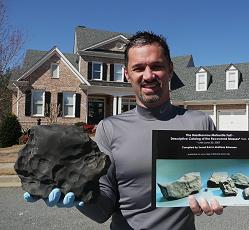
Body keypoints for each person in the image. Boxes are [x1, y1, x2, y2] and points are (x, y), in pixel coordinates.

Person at [24, 31, 223, 229]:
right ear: (127, 74)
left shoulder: (200, 124)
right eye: (138, 68)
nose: (148, 75)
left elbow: (219, 179)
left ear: (170, 70)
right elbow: (103, 210)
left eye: (156, 66)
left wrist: (216, 196)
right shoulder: (109, 129)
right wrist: (79, 196)